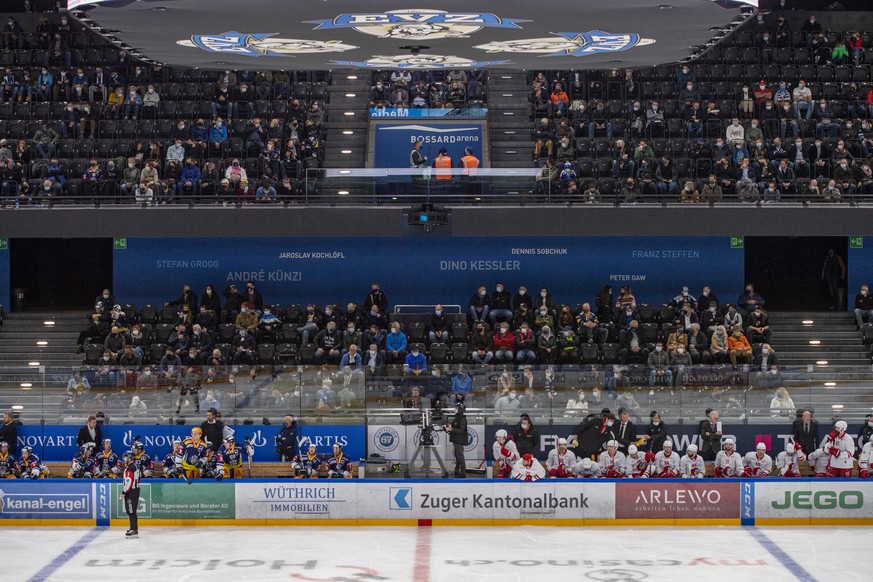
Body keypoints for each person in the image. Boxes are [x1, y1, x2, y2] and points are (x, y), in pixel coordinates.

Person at [446, 394, 468, 478]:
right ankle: (457, 469)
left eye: (456, 408)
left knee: (460, 456)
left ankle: (463, 471)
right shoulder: (456, 418)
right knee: (457, 455)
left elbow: (462, 430)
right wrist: (448, 428)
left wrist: (452, 429)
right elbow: (454, 427)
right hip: (455, 439)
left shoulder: (462, 419)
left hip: (459, 440)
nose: (455, 410)